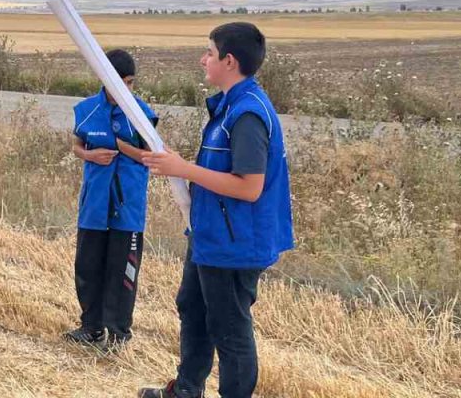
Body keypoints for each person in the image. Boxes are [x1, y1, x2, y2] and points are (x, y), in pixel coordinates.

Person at [138, 23, 294, 398]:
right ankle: (187, 390)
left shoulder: (247, 115)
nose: (202, 59)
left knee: (229, 329)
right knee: (193, 307)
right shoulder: (229, 107)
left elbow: (249, 187)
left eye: (208, 52)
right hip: (210, 234)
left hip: (234, 243)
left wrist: (183, 169)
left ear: (229, 60)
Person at [67, 49, 158, 349]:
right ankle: (90, 327)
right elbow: (77, 145)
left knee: (122, 272)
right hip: (94, 204)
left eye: (131, 83)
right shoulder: (87, 110)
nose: (126, 90)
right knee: (88, 266)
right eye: (121, 83)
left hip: (127, 207)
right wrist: (90, 154)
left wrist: (121, 146)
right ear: (104, 79)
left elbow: (152, 157)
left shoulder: (141, 115)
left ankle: (118, 334)